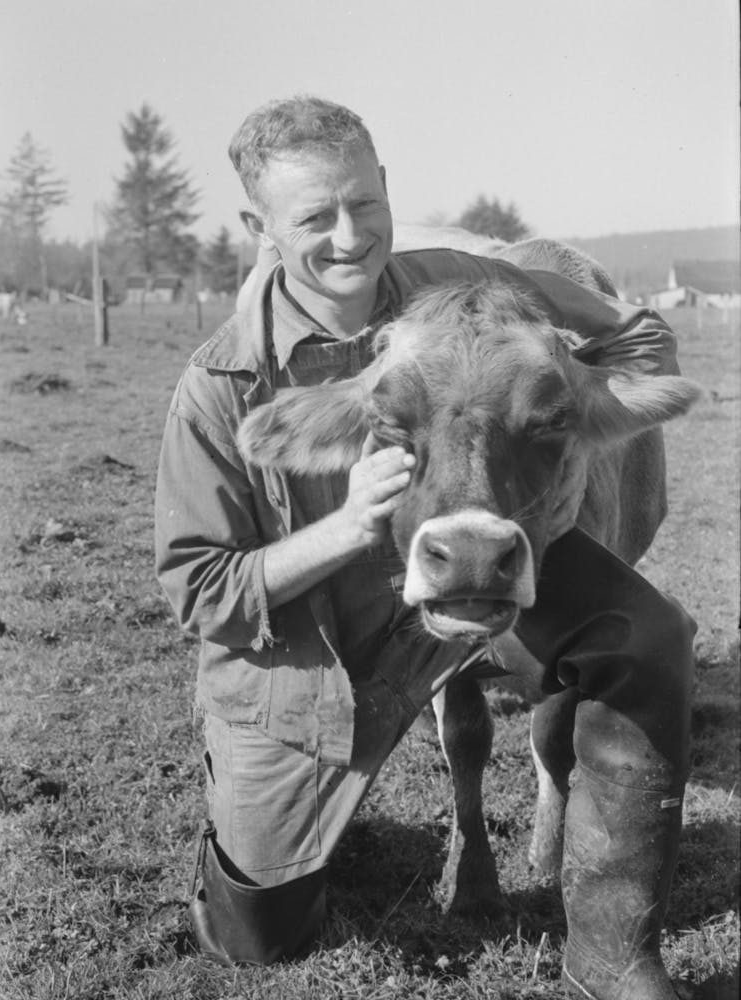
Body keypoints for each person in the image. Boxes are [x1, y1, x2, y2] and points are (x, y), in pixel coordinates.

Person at [155, 96, 695, 998]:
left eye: (365, 204)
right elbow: (198, 588)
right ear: (260, 229)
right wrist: (349, 525)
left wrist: (578, 387)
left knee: (648, 635)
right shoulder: (219, 387)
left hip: (471, 547)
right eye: (315, 217)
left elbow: (632, 334)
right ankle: (312, 835)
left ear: (386, 189)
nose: (349, 237)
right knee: (257, 938)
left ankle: (613, 957)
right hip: (318, 653)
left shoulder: (454, 276)